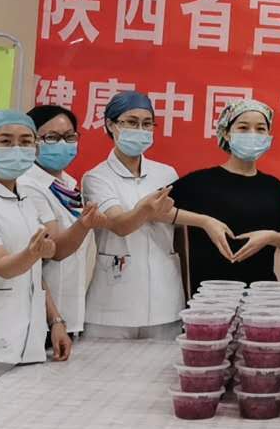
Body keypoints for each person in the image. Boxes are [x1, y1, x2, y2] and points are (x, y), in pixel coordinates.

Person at [0, 110, 97, 411]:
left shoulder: (24, 199)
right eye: (5, 141)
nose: (17, 148)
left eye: (25, 142)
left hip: (26, 344)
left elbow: (36, 271)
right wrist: (33, 253)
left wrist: (55, 321)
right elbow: (2, 266)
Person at [82, 90, 233, 340]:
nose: (140, 130)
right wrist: (147, 209)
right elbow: (120, 224)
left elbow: (175, 230)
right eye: (131, 122)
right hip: (111, 307)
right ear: (110, 124)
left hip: (165, 301)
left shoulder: (165, 173)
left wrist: (204, 221)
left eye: (147, 123)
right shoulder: (97, 177)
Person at [171, 98, 280, 288]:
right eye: (243, 128)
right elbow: (154, 210)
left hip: (261, 294)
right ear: (226, 133)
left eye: (260, 129)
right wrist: (204, 221)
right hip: (210, 295)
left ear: (268, 136)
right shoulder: (199, 181)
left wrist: (270, 237)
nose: (252, 134)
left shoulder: (272, 186)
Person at [19, 104, 98, 336]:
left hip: (69, 312)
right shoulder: (27, 185)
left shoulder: (68, 184)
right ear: (32, 141)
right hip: (40, 317)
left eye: (69, 137)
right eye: (52, 137)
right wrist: (85, 223)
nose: (63, 144)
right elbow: (55, 249)